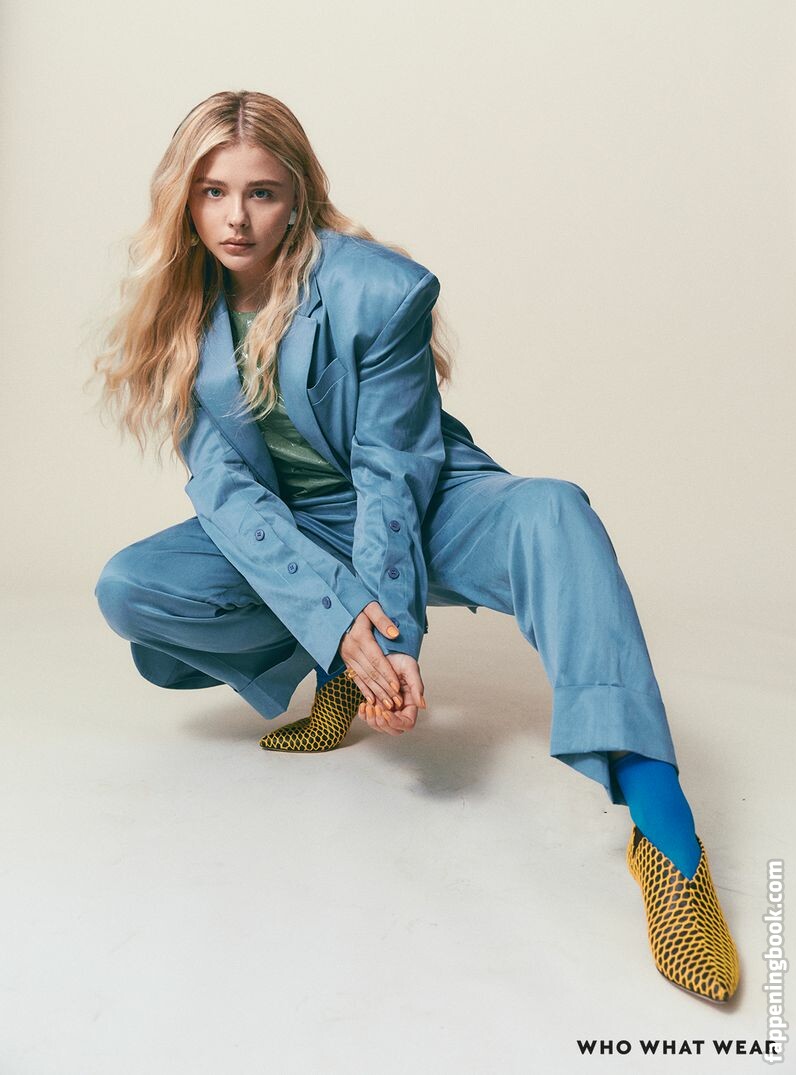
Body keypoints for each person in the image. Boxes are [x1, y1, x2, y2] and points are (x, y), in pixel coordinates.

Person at [91, 90, 739, 1003]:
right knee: (130, 587)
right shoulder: (180, 311)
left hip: (424, 502)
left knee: (555, 512)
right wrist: (338, 625)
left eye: (262, 192)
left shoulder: (380, 288)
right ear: (185, 198)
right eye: (213, 191)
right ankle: (333, 669)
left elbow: (391, 470)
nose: (236, 218)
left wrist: (388, 635)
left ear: (298, 195)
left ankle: (665, 835)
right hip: (295, 525)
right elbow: (230, 498)